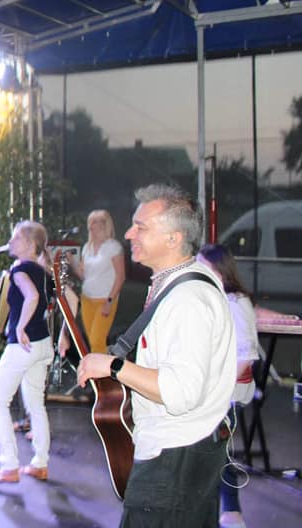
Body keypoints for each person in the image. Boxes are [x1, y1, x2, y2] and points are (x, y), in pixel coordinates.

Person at [77, 184, 235, 528]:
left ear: (173, 238)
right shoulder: (177, 284)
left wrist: (113, 365)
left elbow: (179, 392)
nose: (129, 233)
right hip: (183, 454)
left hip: (174, 461)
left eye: (141, 227)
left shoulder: (187, 300)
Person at [0, 221, 55, 485]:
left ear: (29, 244)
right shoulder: (44, 272)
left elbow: (32, 297)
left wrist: (21, 326)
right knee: (36, 405)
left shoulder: (19, 269)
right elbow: (67, 300)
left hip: (22, 345)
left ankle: (9, 466)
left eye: (15, 238)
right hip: (42, 344)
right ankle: (40, 463)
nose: (10, 242)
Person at [197, 244, 260, 528]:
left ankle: (231, 511)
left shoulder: (235, 302)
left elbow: (246, 356)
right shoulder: (216, 299)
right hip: (214, 390)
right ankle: (227, 511)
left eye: (203, 265)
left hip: (227, 394)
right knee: (213, 452)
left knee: (216, 451)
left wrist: (220, 388)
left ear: (219, 271)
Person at [66, 209, 126, 353]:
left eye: (94, 222)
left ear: (104, 225)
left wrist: (109, 302)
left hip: (105, 299)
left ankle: (101, 366)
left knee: (96, 341)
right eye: (90, 222)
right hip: (87, 299)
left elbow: (120, 277)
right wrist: (72, 262)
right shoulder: (87, 247)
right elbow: (83, 275)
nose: (90, 226)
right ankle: (99, 365)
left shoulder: (113, 247)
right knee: (92, 341)